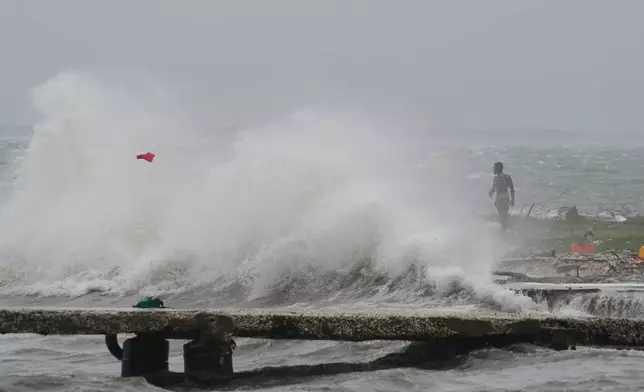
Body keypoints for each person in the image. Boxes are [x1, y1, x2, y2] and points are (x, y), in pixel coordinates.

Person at [489, 161, 514, 230]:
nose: (493, 169)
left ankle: (505, 229)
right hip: (506, 198)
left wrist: (490, 192)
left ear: (497, 169)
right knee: (505, 216)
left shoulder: (496, 178)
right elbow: (512, 189)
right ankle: (506, 229)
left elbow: (494, 189)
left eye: (494, 168)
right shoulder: (507, 177)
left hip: (499, 199)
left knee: (502, 217)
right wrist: (512, 200)